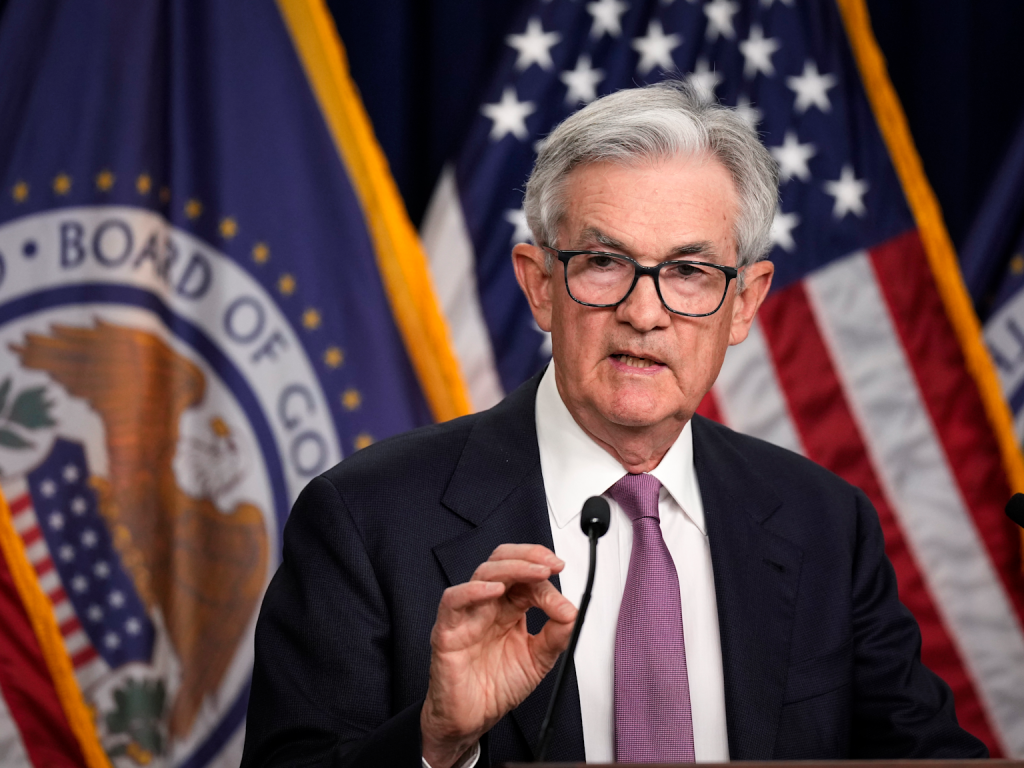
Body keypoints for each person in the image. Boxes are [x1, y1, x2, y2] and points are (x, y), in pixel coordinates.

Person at [240, 81, 987, 767]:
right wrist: (436, 743)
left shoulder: (824, 522)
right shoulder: (367, 520)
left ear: (746, 305)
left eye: (690, 272)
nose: (644, 310)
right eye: (603, 262)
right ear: (539, 286)